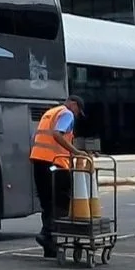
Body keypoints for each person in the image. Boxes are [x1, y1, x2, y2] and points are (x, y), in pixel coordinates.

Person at [30, 95, 90, 257]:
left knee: (48, 202)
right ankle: (48, 235)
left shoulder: (51, 112)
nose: (77, 115)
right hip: (55, 163)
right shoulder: (67, 113)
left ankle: (49, 245)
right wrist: (76, 152)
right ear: (73, 104)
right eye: (79, 111)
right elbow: (57, 134)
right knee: (61, 201)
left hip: (39, 161)